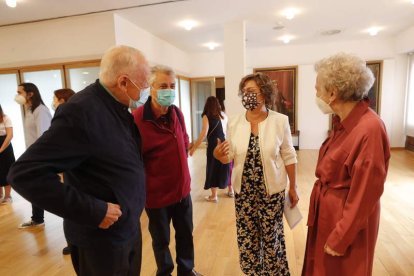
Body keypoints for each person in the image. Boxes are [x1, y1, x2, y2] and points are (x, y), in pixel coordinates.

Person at [8, 45, 150, 276]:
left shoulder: (119, 107)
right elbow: (24, 174)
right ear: (123, 82)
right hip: (101, 241)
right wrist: (93, 210)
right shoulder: (81, 112)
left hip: (127, 230)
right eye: (144, 85)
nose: (147, 91)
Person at [301, 53, 390, 276]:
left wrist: (341, 238)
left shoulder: (369, 128)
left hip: (345, 221)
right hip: (328, 214)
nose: (316, 94)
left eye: (317, 88)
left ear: (333, 93)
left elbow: (366, 194)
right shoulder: (343, 123)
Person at [214, 72, 299, 275]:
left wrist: (293, 187)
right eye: (244, 92)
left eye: (251, 91)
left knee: (272, 240)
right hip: (244, 195)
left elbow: (288, 155)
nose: (246, 96)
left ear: (264, 94)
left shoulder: (280, 121)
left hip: (272, 193)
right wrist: (220, 157)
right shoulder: (234, 123)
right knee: (247, 240)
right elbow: (230, 156)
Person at [133, 65, 202, 276]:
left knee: (185, 235)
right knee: (161, 240)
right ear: (150, 88)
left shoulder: (176, 112)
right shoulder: (136, 120)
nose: (169, 90)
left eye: (172, 86)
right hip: (156, 196)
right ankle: (164, 272)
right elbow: (134, 161)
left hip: (182, 191)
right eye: (163, 86)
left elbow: (185, 141)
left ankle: (186, 271)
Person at [14, 82, 52, 228]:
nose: (17, 96)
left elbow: (43, 135)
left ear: (30, 94)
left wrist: (37, 157)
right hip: (32, 154)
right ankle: (37, 218)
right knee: (35, 187)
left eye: (20, 92)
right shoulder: (30, 110)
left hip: (39, 156)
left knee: (36, 187)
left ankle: (38, 218)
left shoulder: (40, 110)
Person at [189, 96, 230, 202]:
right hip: (223, 143)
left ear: (207, 105)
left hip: (213, 145)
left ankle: (214, 196)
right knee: (224, 166)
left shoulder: (206, 116)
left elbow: (204, 134)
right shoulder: (222, 116)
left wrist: (194, 147)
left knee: (212, 168)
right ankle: (230, 190)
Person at [51, 88, 76, 256]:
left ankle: (74, 243)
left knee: (72, 207)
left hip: (74, 168)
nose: (53, 101)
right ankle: (72, 243)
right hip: (69, 169)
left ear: (62, 100)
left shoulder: (70, 117)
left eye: (54, 98)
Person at [0, 104, 16, 204]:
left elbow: (10, 135)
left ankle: (8, 196)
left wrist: (1, 149)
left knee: (6, 170)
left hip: (5, 146)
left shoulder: (5, 118)